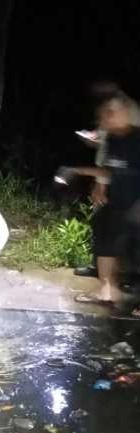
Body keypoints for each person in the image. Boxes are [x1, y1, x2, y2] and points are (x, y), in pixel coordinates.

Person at [61, 93, 140, 305]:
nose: (104, 120)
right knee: (102, 223)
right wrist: (81, 173)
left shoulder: (137, 139)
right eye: (104, 115)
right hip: (120, 200)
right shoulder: (113, 139)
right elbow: (110, 170)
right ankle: (106, 290)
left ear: (127, 114)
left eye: (111, 114)